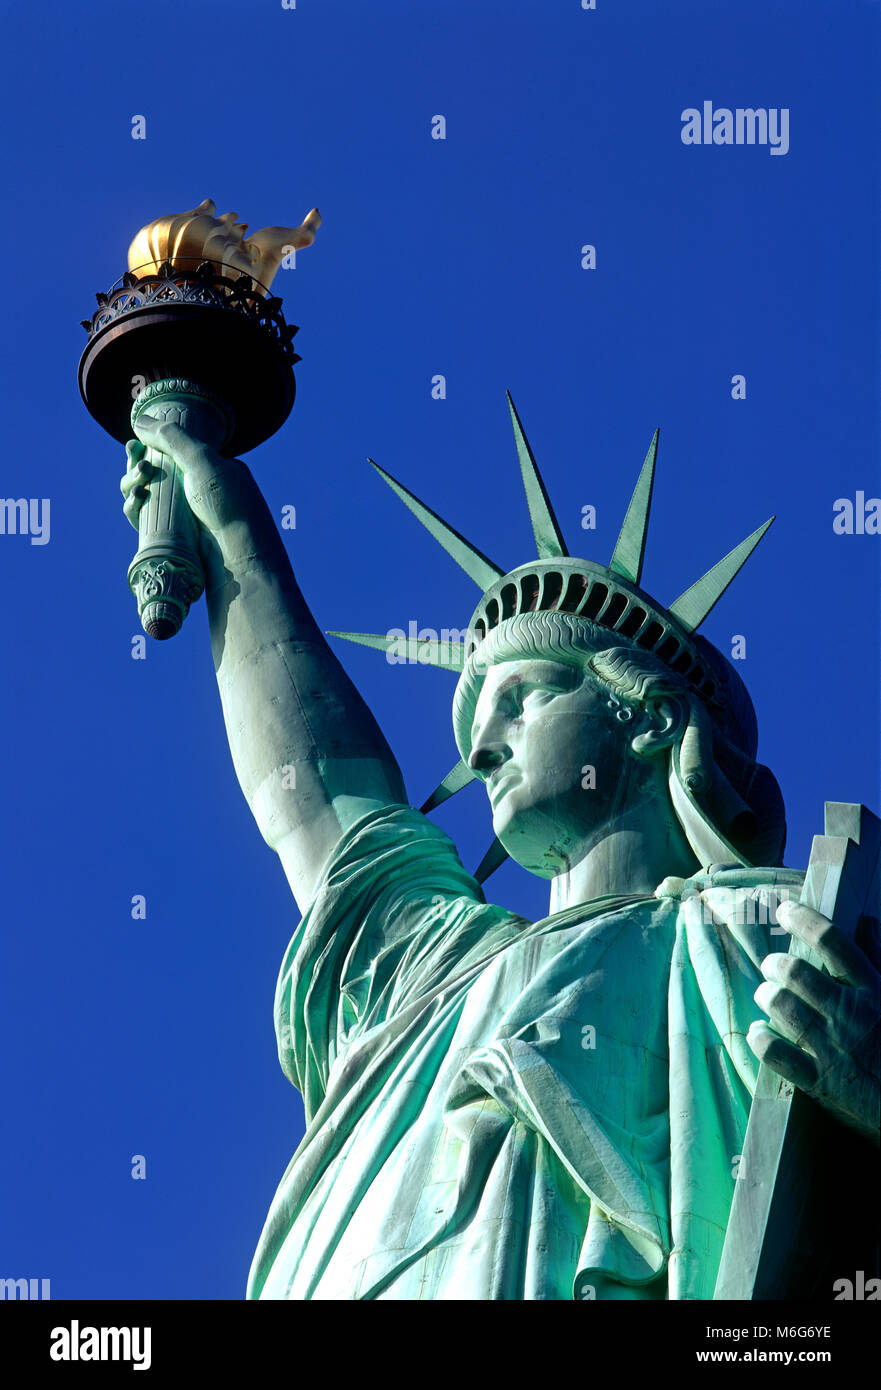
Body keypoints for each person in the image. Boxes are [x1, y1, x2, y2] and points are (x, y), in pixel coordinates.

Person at [121, 408, 879, 1300]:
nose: (482, 749)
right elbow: (316, 790)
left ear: (645, 716)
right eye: (480, 721)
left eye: (524, 697)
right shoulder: (429, 970)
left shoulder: (758, 940)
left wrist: (868, 1093)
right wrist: (223, 511)